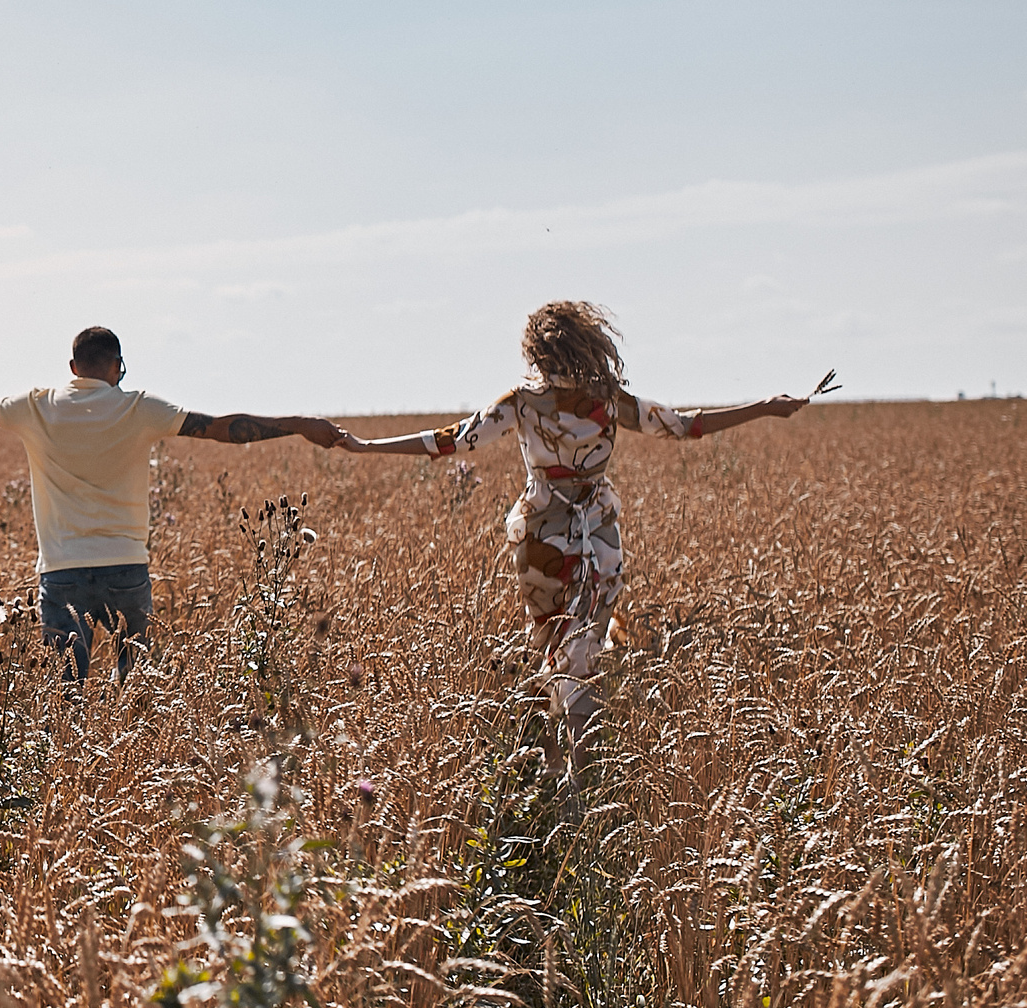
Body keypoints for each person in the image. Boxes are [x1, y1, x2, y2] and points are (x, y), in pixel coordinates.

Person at [339, 300, 815, 780]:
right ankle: (578, 780)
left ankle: (551, 766)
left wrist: (366, 446)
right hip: (598, 539)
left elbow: (451, 440)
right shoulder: (609, 401)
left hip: (539, 539)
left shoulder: (520, 402)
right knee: (582, 650)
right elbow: (687, 425)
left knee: (549, 642)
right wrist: (765, 408)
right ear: (587, 344)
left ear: (536, 352)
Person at [0, 326, 350, 683]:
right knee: (136, 686)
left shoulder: (37, 406)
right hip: (126, 567)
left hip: (62, 570)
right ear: (117, 366)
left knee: (66, 692)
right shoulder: (140, 408)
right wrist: (298, 423)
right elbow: (221, 429)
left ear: (73, 366)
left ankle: (66, 768)